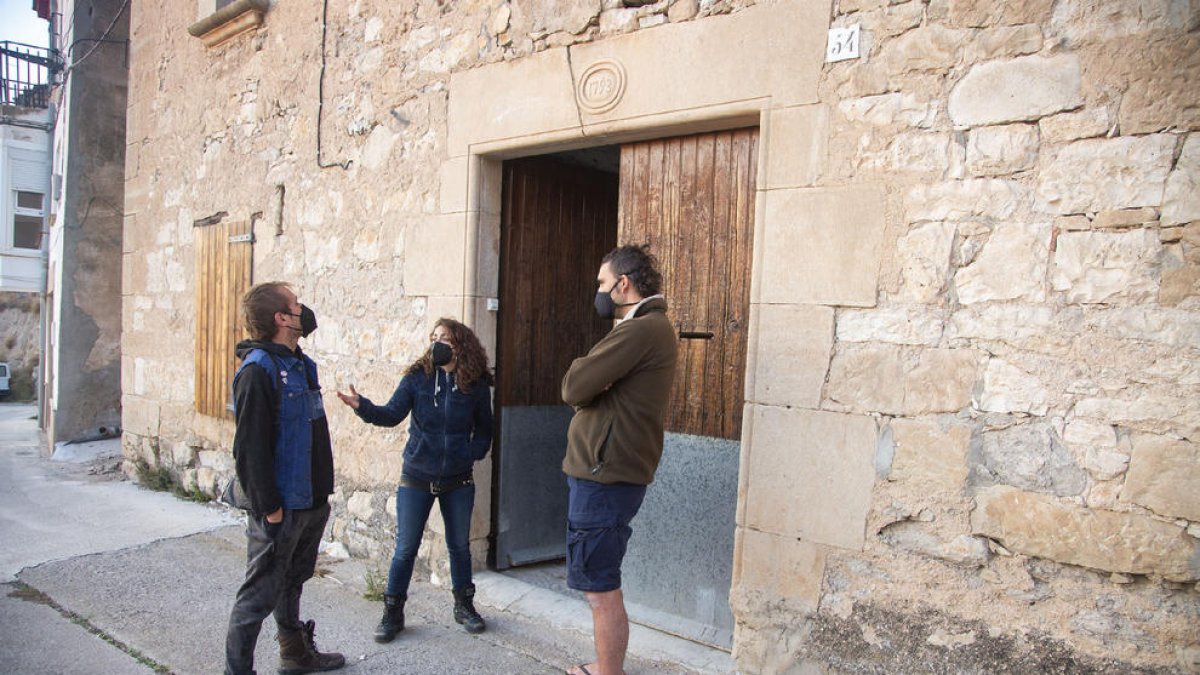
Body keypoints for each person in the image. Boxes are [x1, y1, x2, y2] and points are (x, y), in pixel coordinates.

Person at [336, 318, 494, 642]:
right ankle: (392, 613)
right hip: (417, 477)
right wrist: (362, 406)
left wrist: (471, 453)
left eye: (445, 338)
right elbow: (391, 414)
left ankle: (464, 606)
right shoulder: (417, 378)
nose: (437, 343)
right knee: (405, 548)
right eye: (434, 337)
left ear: (460, 345)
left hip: (458, 480)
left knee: (460, 547)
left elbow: (486, 429)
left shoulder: (474, 385)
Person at [560, 244, 678, 675]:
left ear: (623, 284)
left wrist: (586, 370)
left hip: (604, 476)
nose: (599, 292)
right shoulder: (646, 328)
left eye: (602, 284)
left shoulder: (639, 330)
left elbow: (574, 386)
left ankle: (607, 671)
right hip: (604, 472)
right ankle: (607, 667)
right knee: (598, 578)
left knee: (599, 584)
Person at [223, 282, 345, 675]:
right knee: (257, 597)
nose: (303, 310)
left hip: (309, 500)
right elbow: (249, 450)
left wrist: (319, 497)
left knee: (292, 581)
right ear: (281, 318)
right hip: (280, 508)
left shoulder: (300, 365)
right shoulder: (258, 371)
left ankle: (294, 654)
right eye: (296, 305)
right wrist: (270, 508)